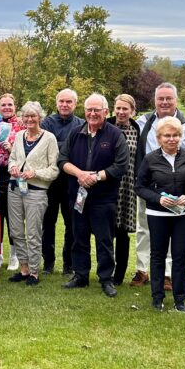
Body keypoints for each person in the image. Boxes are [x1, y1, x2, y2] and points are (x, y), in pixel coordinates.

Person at [131, 83, 185, 290]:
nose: (164, 102)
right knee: (143, 229)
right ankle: (143, 269)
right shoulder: (143, 123)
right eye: (160, 98)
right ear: (154, 100)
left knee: (175, 234)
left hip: (178, 191)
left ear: (176, 100)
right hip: (149, 189)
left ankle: (167, 274)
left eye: (169, 98)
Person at [58, 94, 129, 297]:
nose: (92, 113)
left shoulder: (115, 135)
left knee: (104, 240)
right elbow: (62, 160)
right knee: (78, 238)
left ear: (106, 112)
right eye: (89, 109)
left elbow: (121, 165)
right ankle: (80, 275)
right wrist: (80, 174)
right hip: (78, 196)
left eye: (97, 110)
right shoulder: (75, 133)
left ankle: (106, 279)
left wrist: (96, 177)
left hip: (104, 199)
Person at [6, 102, 59, 285]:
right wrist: (13, 167)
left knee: (33, 232)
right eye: (26, 116)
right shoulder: (20, 136)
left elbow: (54, 169)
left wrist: (35, 173)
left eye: (33, 116)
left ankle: (34, 271)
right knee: (16, 231)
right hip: (15, 188)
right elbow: (12, 158)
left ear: (40, 118)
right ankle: (24, 267)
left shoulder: (49, 138)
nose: (29, 119)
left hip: (36, 191)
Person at [41, 88, 83, 275]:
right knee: (47, 224)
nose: (65, 105)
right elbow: (45, 147)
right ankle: (48, 263)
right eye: (62, 101)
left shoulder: (81, 124)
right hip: (49, 183)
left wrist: (57, 145)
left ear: (75, 104)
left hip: (72, 182)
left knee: (71, 225)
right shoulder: (47, 122)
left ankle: (69, 264)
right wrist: (67, 145)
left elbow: (80, 149)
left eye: (69, 102)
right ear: (56, 103)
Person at [110, 94, 140, 285]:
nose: (121, 112)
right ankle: (105, 270)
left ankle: (119, 274)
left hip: (128, 186)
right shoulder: (106, 126)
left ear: (132, 111)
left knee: (122, 232)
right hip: (108, 184)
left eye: (125, 109)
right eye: (118, 108)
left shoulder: (136, 130)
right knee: (105, 230)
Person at [0, 93, 25, 271]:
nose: (6, 107)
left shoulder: (21, 126)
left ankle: (15, 256)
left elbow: (26, 153)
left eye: (10, 105)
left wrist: (11, 148)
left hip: (13, 175)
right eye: (3, 105)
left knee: (14, 218)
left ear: (15, 106)